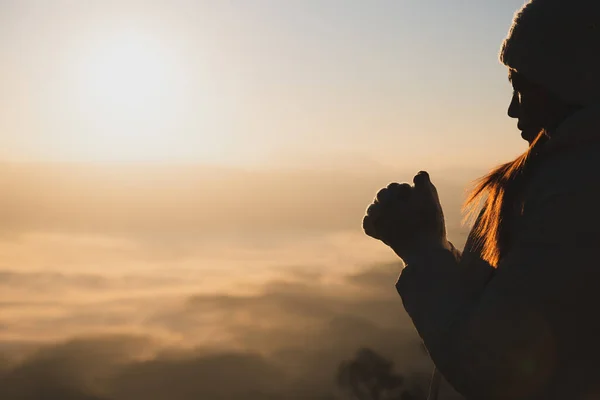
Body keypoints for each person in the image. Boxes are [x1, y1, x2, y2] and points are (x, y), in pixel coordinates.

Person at [362, 1, 600, 399]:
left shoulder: (577, 194)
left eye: (521, 87)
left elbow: (496, 367)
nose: (511, 110)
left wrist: (422, 252)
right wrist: (434, 245)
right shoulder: (564, 182)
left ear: (567, 82)